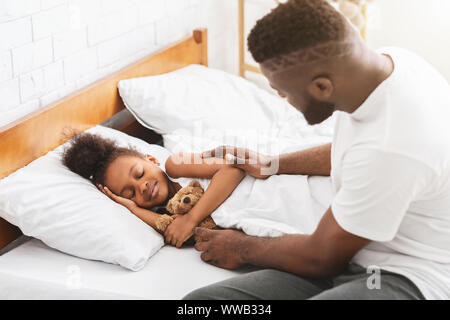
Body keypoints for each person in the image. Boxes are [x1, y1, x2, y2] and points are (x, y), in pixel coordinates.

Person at [184, 0, 450, 300]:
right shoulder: (392, 65)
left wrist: (240, 247)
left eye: (282, 91)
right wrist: (272, 164)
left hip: (407, 275)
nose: (284, 99)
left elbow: (320, 257)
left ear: (322, 87)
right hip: (353, 257)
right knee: (202, 305)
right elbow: (354, 149)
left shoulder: (394, 145)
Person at [61, 132, 246, 248]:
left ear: (151, 159)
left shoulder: (176, 165)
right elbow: (174, 230)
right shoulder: (170, 212)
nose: (142, 187)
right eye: (130, 193)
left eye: (140, 174)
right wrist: (133, 209)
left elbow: (233, 169)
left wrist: (192, 218)